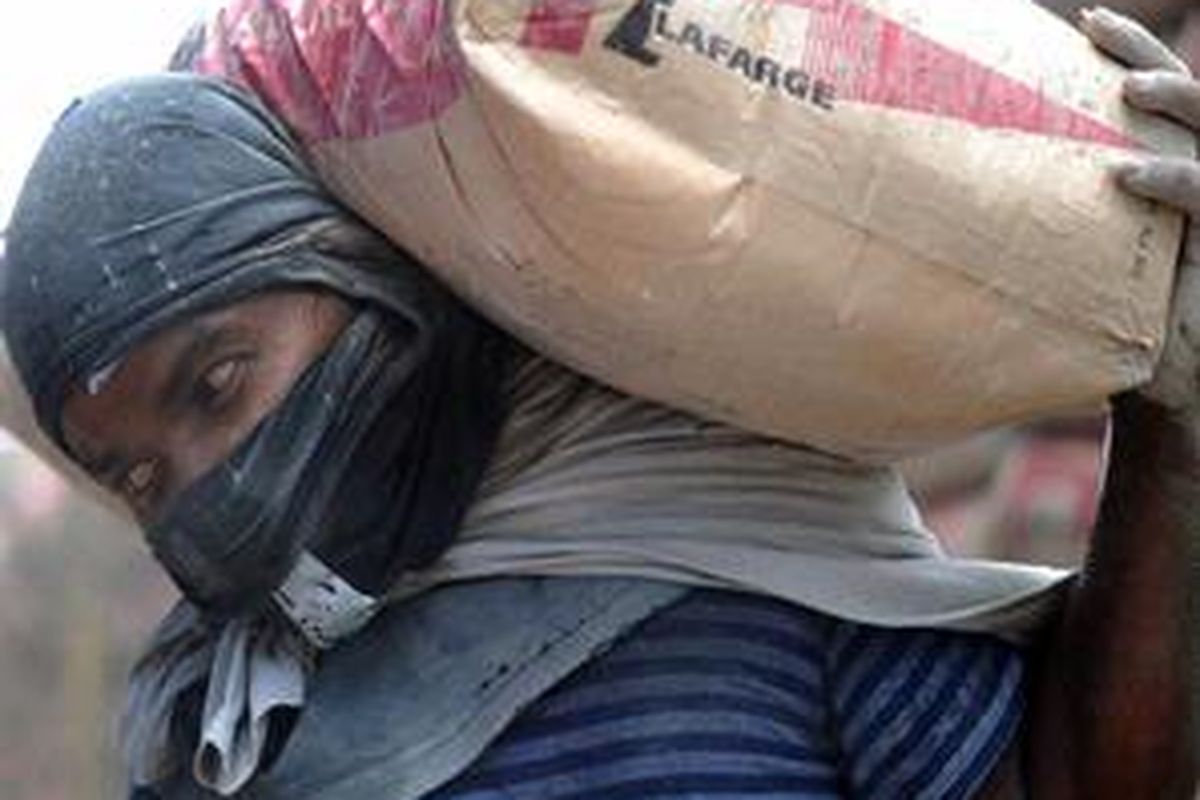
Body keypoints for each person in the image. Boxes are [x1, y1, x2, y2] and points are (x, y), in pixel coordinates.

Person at [0, 7, 1196, 799]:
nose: (205, 486)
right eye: (139, 475)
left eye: (216, 384)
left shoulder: (739, 541)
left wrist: (1173, 427)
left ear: (362, 275)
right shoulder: (218, 740)